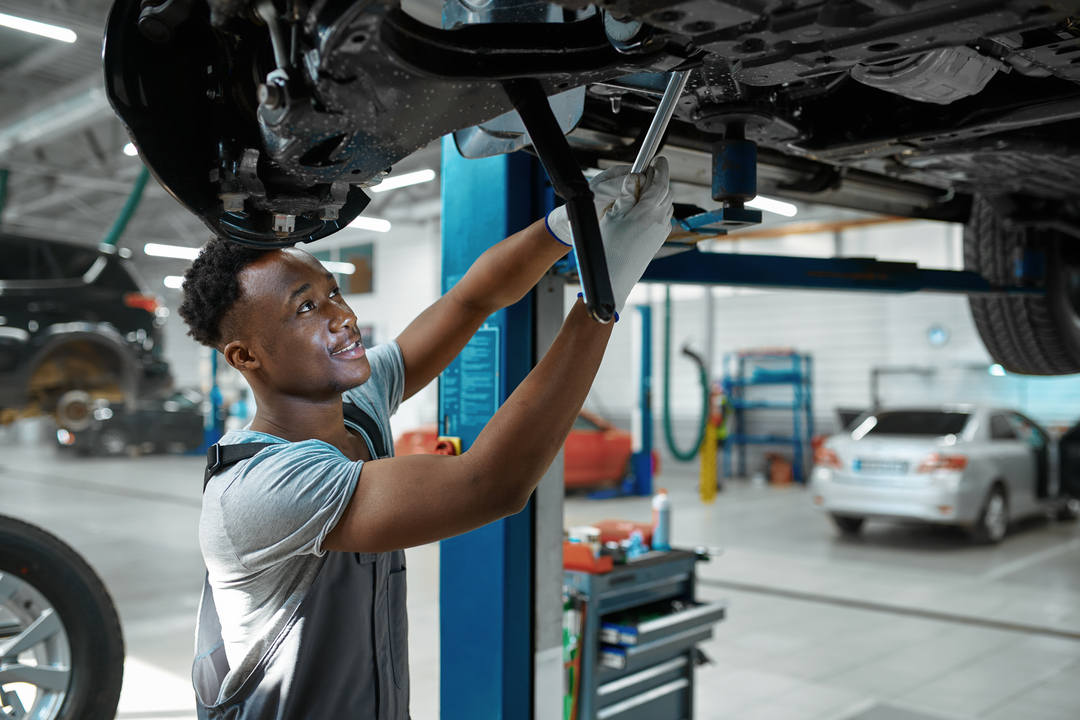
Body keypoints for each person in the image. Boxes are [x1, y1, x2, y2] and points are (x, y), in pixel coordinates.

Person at [179, 158, 674, 718]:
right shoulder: (259, 490)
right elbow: (491, 485)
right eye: (307, 307)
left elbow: (470, 301)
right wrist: (598, 301)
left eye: (334, 292)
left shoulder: (356, 410)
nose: (342, 316)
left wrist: (564, 227)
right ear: (245, 357)